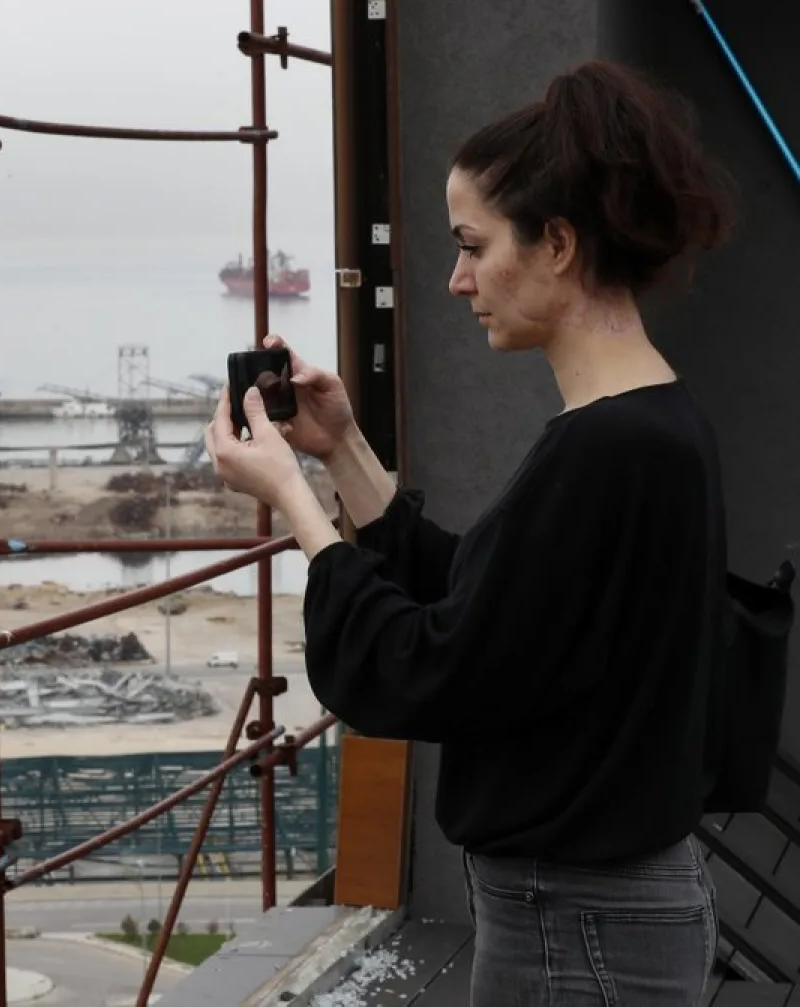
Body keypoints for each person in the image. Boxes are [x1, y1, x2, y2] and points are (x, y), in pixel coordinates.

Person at [206, 60, 733, 1005]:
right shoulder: (650, 424)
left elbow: (432, 670)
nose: (456, 281)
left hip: (580, 924)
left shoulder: (604, 450)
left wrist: (291, 503)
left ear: (558, 243)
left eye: (471, 244)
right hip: (601, 910)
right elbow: (497, 615)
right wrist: (342, 455)